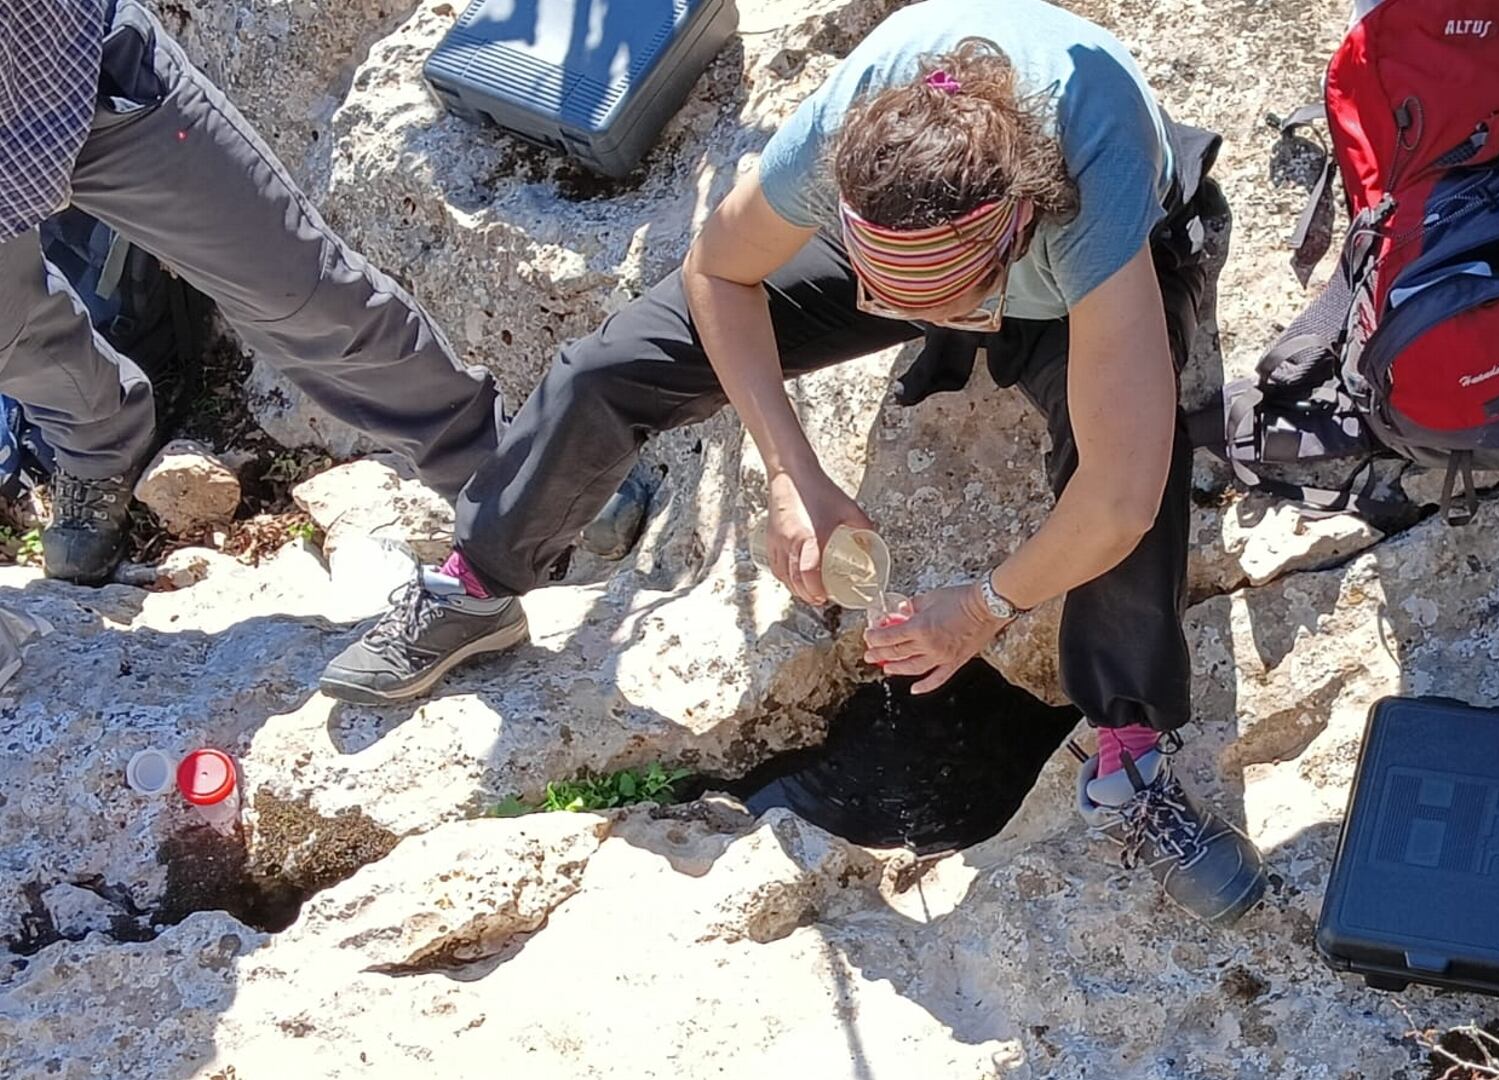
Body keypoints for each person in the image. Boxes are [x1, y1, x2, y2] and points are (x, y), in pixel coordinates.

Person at [324, 0, 1267, 924]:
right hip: (922, 240)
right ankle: (480, 577)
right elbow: (717, 270)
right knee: (608, 369)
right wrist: (792, 474)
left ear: (1016, 230)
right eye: (894, 295)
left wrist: (983, 608)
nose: (928, 324)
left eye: (944, 305)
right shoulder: (845, 139)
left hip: (1064, 267)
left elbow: (1119, 498)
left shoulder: (1090, 191)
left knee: (1131, 469)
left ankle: (1129, 750)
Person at [0, 0, 508, 585]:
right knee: (16, 344)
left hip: (85, 70)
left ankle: (508, 472)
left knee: (301, 294)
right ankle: (98, 446)